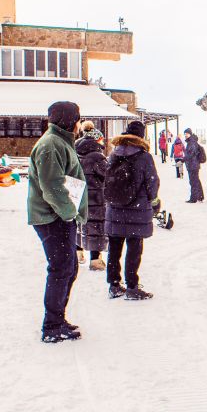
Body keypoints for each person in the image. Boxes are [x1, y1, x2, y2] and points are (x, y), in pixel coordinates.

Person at [28, 101, 88, 343]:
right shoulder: (51, 144)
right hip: (53, 217)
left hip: (59, 216)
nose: (79, 123)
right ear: (67, 119)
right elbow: (51, 185)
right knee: (61, 270)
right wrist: (68, 213)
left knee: (68, 268)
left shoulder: (60, 141)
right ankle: (51, 326)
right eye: (77, 118)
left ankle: (57, 319)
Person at [104, 120, 160, 300]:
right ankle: (132, 286)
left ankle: (113, 284)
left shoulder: (114, 154)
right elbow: (152, 182)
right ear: (141, 136)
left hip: (115, 208)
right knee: (134, 248)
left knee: (114, 247)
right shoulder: (144, 157)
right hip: (137, 208)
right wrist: (154, 201)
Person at [76, 125, 109, 271]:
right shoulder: (97, 156)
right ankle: (95, 260)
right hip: (96, 198)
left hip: (78, 196)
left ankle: (77, 253)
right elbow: (108, 176)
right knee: (96, 227)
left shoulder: (75, 152)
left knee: (79, 225)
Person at [183, 128, 205, 203]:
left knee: (193, 182)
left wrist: (183, 159)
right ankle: (200, 196)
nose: (185, 135)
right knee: (196, 181)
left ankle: (193, 198)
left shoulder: (192, 142)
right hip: (193, 165)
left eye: (187, 134)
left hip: (193, 165)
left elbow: (191, 154)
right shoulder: (192, 142)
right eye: (185, 134)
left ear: (190, 134)